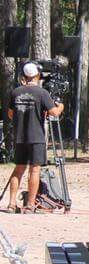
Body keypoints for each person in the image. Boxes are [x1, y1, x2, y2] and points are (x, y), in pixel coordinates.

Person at [3, 63, 63, 212]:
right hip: (36, 137)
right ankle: (30, 205)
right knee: (34, 170)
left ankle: (11, 204)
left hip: (20, 137)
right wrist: (61, 106)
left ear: (23, 76)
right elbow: (54, 113)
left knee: (18, 170)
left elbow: (11, 114)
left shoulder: (15, 92)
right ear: (37, 76)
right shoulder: (42, 93)